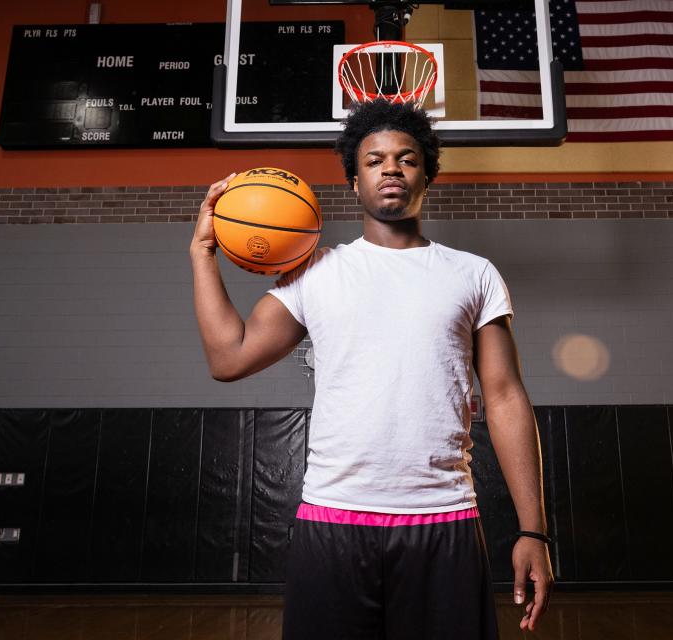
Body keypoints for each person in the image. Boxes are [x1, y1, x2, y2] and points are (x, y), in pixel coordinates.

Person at [190, 99, 552, 638]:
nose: (390, 168)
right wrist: (202, 252)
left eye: (406, 159)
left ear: (426, 176)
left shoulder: (472, 274)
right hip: (333, 519)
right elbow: (228, 357)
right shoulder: (315, 273)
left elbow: (503, 396)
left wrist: (534, 531)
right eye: (374, 160)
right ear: (354, 182)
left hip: (444, 519)